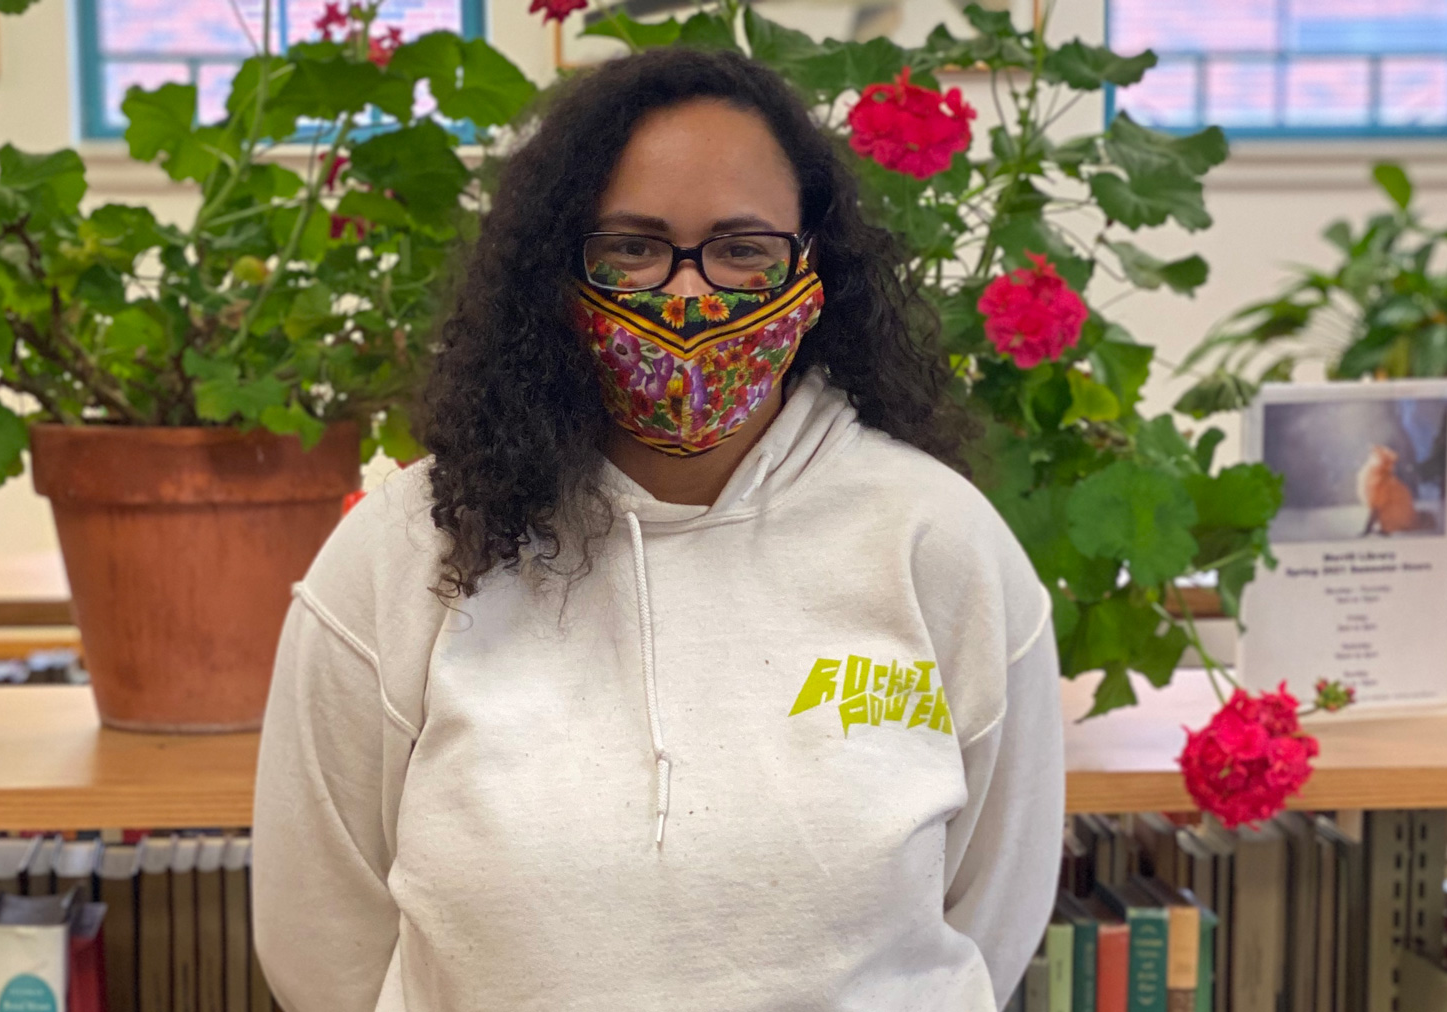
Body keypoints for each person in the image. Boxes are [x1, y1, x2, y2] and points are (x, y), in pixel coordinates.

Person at [252, 45, 1064, 1012]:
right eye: (632, 247)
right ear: (556, 272)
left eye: (743, 249)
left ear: (815, 277)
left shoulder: (939, 545)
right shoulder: (411, 548)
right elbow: (322, 942)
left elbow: (987, 919)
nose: (687, 297)